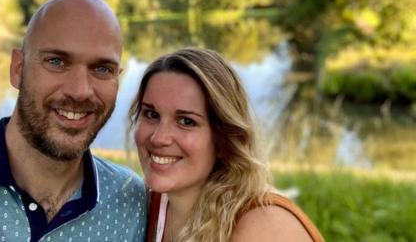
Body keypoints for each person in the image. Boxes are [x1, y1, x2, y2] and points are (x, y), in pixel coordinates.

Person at [0, 0, 147, 242]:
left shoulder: (130, 203)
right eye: (56, 61)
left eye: (102, 69)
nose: (79, 91)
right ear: (18, 68)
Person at [128, 47, 324, 242]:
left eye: (186, 121)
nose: (159, 138)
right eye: (151, 115)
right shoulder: (146, 206)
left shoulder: (264, 226)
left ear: (224, 138)